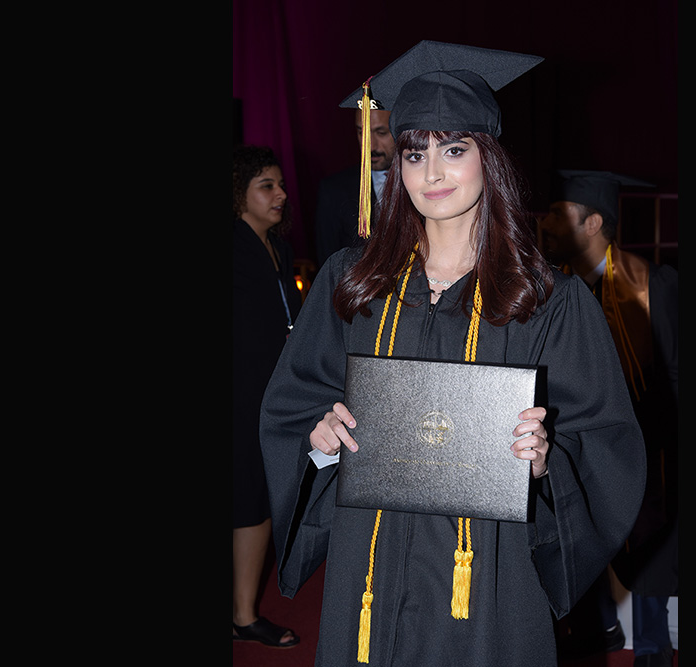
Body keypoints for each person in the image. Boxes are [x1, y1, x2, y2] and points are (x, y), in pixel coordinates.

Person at [259, 41, 647, 667]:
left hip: (489, 576)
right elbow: (292, 407)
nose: (432, 173)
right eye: (415, 153)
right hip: (369, 567)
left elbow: (605, 443)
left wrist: (546, 463)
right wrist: (319, 440)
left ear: (489, 158)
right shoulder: (353, 283)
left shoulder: (546, 300)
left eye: (454, 149)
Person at [542, 170, 678, 667]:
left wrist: (647, 437)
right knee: (574, 531)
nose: (546, 223)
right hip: (571, 441)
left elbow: (676, 371)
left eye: (559, 213)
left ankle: (653, 644)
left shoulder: (653, 285)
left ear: (593, 222)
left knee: (648, 538)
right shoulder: (549, 289)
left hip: (645, 439)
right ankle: (597, 626)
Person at [232, 144, 302, 648]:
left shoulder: (277, 248)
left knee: (257, 498)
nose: (280, 194)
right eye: (266, 186)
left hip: (270, 394)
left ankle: (242, 614)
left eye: (280, 185)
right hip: (239, 395)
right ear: (239, 194)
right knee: (248, 499)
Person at [314, 107, 397, 269]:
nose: (370, 145)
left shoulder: (424, 181)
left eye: (381, 133)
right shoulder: (335, 190)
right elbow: (328, 267)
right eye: (361, 132)